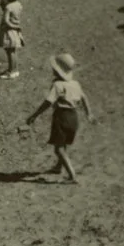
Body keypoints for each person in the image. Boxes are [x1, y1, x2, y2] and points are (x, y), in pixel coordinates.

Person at [23, 53, 95, 183]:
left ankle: (72, 175)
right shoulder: (75, 84)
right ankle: (58, 166)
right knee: (64, 142)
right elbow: (84, 98)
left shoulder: (57, 85)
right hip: (74, 116)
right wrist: (89, 113)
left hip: (61, 116)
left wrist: (34, 115)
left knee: (58, 149)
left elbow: (48, 102)